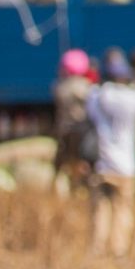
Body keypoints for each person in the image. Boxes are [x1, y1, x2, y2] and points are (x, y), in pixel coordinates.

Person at [86, 50, 135, 257]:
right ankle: (119, 251)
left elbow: (88, 122)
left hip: (102, 163)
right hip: (126, 166)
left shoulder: (98, 96)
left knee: (100, 209)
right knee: (123, 210)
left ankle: (97, 249)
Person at [53, 49, 96, 177]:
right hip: (82, 130)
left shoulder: (61, 87)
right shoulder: (86, 86)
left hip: (65, 130)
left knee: (66, 160)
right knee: (82, 160)